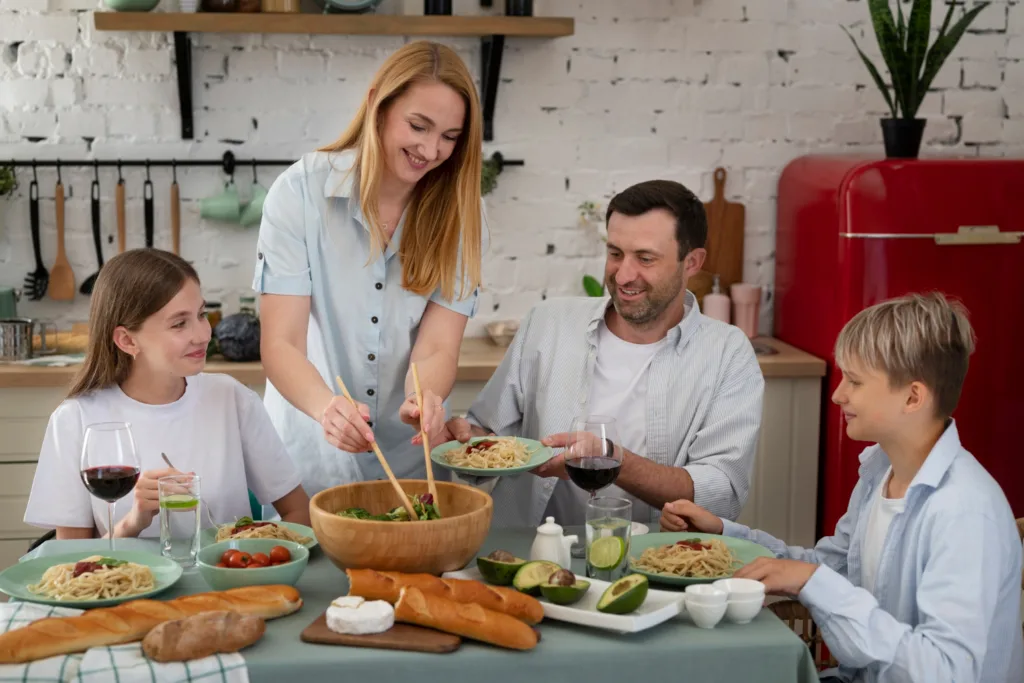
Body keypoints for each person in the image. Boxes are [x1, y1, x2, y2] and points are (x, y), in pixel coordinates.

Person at [661, 293, 1023, 683]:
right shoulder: (881, 470)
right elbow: (830, 570)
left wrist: (813, 582)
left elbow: (947, 672)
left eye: (855, 381)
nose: (838, 394)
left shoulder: (965, 511)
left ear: (912, 397)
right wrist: (722, 534)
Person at [444, 179, 764, 528]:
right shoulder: (548, 323)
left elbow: (721, 494)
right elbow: (489, 434)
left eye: (645, 258)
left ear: (692, 262)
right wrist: (465, 439)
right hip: (529, 555)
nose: (624, 275)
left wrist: (613, 461)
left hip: (654, 565)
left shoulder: (728, 354)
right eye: (615, 253)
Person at [254, 40, 487, 495]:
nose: (430, 149)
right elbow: (282, 343)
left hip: (412, 462)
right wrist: (327, 409)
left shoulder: (463, 213)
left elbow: (438, 346)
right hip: (308, 461)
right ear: (377, 104)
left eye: (450, 137)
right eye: (418, 126)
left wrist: (424, 398)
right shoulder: (300, 193)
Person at [23, 249, 310, 540]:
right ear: (126, 340)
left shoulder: (231, 398)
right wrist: (132, 523)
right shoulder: (75, 419)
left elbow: (299, 513)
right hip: (131, 586)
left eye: (201, 314)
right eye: (179, 323)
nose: (202, 334)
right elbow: (70, 564)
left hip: (228, 583)